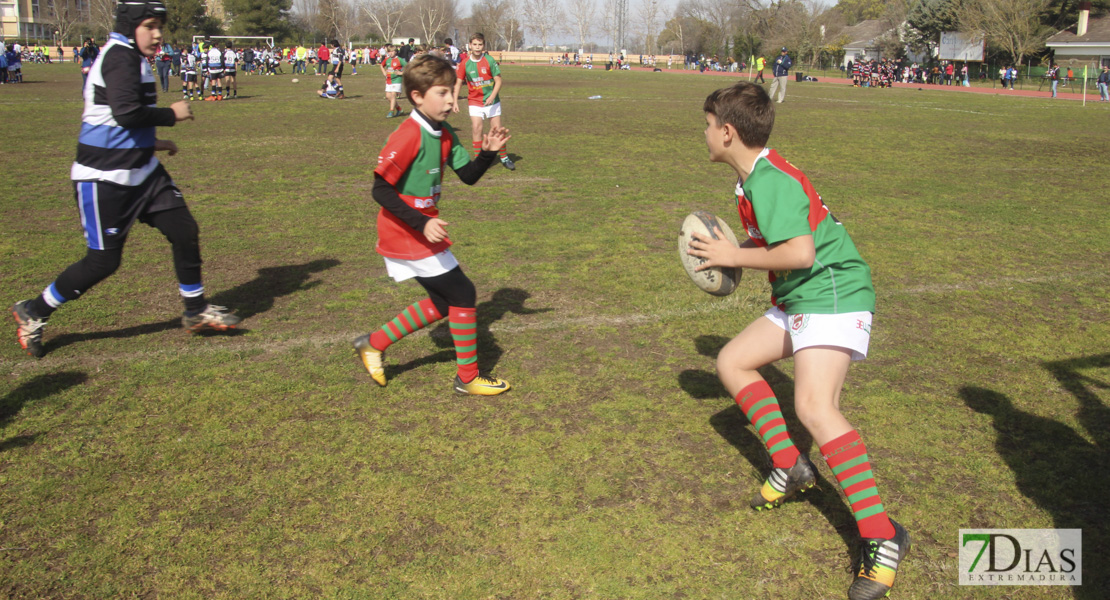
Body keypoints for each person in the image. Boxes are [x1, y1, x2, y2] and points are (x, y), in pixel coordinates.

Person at [686, 82, 909, 600]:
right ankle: (792, 465)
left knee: (814, 406)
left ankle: (883, 536)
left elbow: (802, 253)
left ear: (727, 131)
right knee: (733, 362)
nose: (703, 134)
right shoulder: (753, 180)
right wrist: (731, 250)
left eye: (706, 125)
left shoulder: (770, 182)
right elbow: (775, 242)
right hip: (801, 296)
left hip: (832, 290)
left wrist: (734, 259)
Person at [11, 0, 241, 359]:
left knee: (183, 229)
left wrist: (154, 142)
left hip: (143, 172)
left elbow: (114, 118)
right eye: (149, 25)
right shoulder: (119, 56)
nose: (157, 33)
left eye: (159, 26)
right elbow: (125, 112)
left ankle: (195, 312)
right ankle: (34, 311)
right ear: (130, 26)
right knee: (102, 262)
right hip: (104, 178)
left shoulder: (131, 57)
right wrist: (172, 115)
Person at [354, 53, 512, 396]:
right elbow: (380, 189)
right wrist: (422, 223)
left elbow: (468, 177)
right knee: (463, 293)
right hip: (404, 230)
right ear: (417, 96)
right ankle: (467, 378)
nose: (451, 101)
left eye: (452, 93)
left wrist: (488, 152)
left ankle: (373, 343)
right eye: (442, 93)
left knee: (445, 301)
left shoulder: (443, 134)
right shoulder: (408, 134)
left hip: (421, 230)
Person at [452, 33, 514, 170]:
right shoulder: (465, 64)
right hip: (475, 101)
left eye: (480, 44)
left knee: (497, 130)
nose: (477, 47)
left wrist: (492, 96)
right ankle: (479, 160)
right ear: (470, 45)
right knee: (476, 128)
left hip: (492, 101)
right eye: (475, 44)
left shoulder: (489, 60)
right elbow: (457, 82)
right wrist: (455, 101)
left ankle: (504, 157)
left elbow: (498, 80)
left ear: (483, 46)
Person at [380, 44, 406, 117]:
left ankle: (391, 111)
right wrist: (384, 72)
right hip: (389, 80)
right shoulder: (387, 59)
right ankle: (399, 109)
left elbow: (409, 67)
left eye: (392, 51)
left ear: (395, 52)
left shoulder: (399, 59)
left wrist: (401, 73)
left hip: (397, 80)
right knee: (388, 96)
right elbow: (381, 65)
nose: (390, 53)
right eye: (389, 52)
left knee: (393, 94)